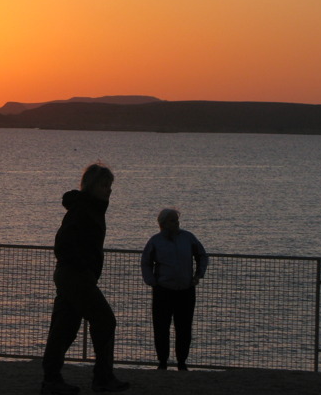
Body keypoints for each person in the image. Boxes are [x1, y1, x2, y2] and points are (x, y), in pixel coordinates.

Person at [41, 164, 129, 394]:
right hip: (75, 275)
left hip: (73, 274)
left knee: (65, 327)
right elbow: (63, 244)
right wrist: (83, 266)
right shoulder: (83, 210)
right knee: (104, 320)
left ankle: (52, 379)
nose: (108, 190)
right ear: (92, 186)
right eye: (104, 185)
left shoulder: (89, 208)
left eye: (110, 186)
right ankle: (102, 377)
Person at [140, 208, 209, 371]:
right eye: (172, 220)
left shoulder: (188, 238)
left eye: (176, 220)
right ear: (162, 224)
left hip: (185, 290)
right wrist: (152, 282)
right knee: (161, 327)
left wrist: (198, 275)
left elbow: (202, 255)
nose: (176, 223)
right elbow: (146, 262)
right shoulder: (155, 241)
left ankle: (182, 362)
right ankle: (162, 362)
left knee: (184, 327)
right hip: (163, 290)